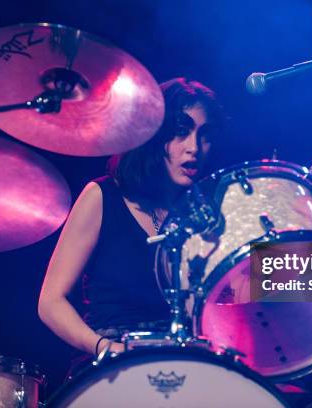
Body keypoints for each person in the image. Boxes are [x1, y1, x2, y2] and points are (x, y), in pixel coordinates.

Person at [38, 78, 224, 373]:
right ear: (152, 134)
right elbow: (50, 302)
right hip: (111, 367)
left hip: (186, 368)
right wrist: (104, 348)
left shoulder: (209, 214)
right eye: (180, 132)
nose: (194, 148)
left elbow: (246, 294)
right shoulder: (102, 196)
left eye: (204, 135)